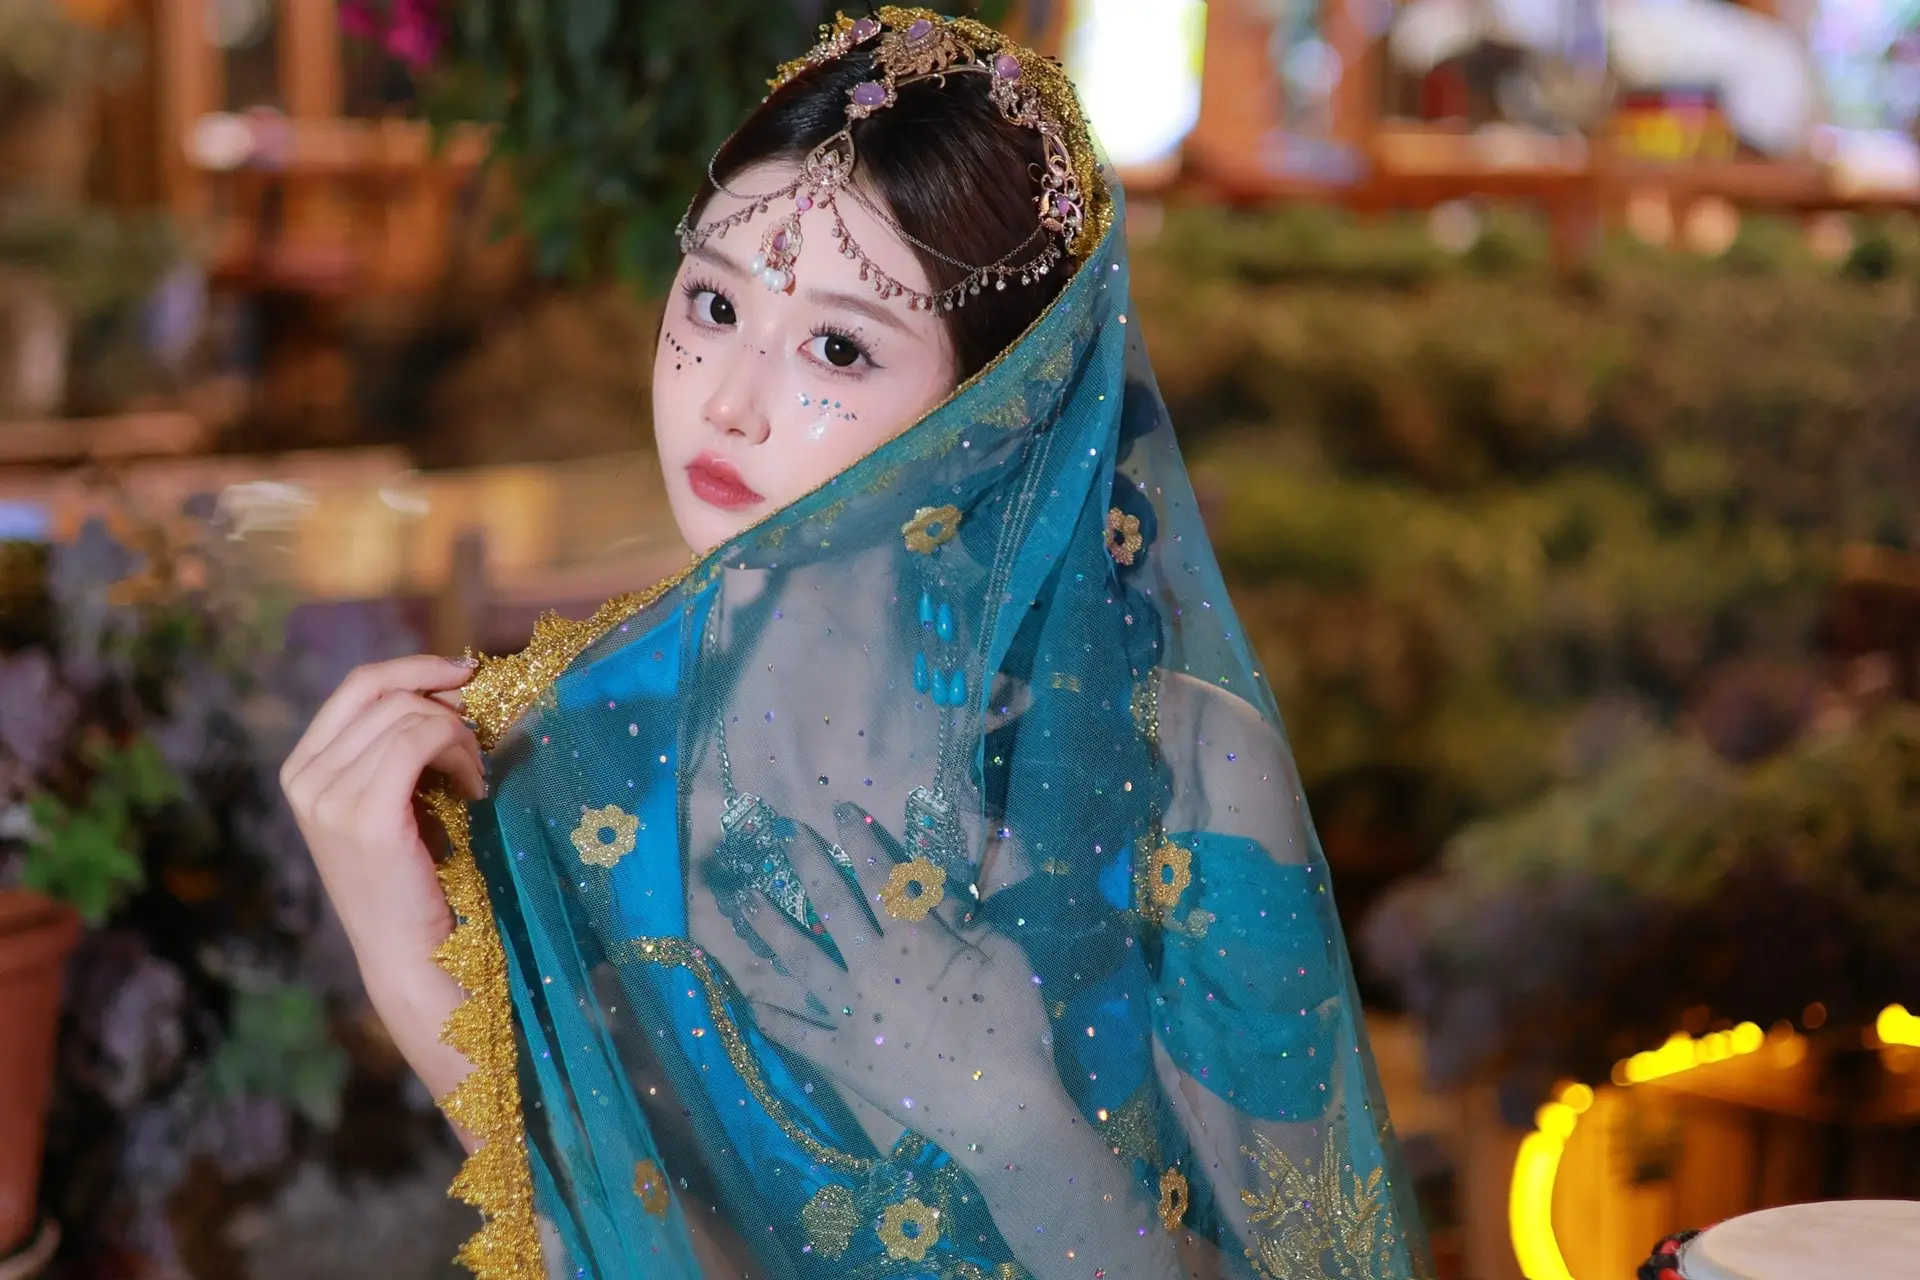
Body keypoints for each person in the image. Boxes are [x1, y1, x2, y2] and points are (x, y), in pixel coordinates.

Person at [280, 9, 1430, 1279]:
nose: (728, 399)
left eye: (837, 345)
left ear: (1002, 407)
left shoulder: (1187, 772)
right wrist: (410, 961)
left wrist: (1015, 1126)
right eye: (714, 300)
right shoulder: (561, 769)